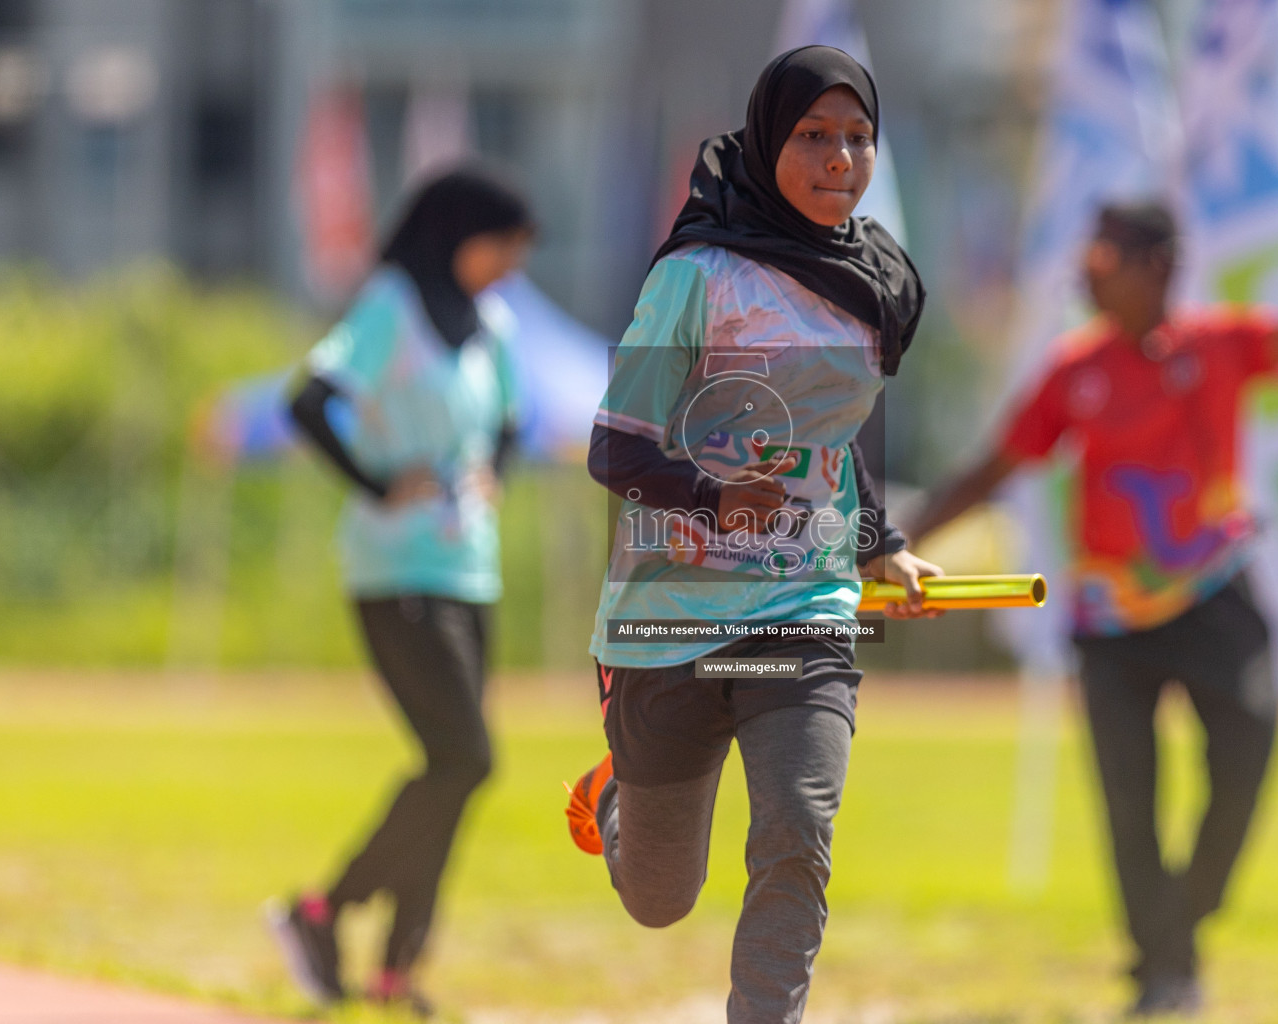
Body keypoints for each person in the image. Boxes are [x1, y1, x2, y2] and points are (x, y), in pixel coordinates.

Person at [905, 202, 1278, 1016]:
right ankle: (1165, 973)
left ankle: (1181, 922)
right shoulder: (1075, 369)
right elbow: (994, 467)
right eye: (1087, 259)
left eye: (1106, 260)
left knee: (1249, 745)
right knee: (1129, 804)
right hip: (1109, 621)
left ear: (1157, 267)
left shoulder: (1218, 345)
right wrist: (894, 538)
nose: (1088, 275)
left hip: (1212, 599)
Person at [562, 45, 942, 1024]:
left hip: (803, 612)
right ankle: (620, 805)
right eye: (814, 136)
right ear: (771, 137)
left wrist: (876, 541)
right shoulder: (698, 276)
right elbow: (616, 446)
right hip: (668, 626)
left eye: (858, 138)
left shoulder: (876, 282)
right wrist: (714, 501)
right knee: (659, 897)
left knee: (797, 829)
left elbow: (835, 432)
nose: (840, 159)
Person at [269, 165, 535, 1018]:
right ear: (460, 236)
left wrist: (494, 470)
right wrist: (379, 484)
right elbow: (308, 402)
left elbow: (510, 418)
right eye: (504, 248)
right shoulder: (390, 306)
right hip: (395, 573)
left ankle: (395, 969)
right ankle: (323, 911)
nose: (511, 268)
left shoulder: (492, 322)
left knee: (451, 771)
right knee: (467, 757)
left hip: (470, 572)